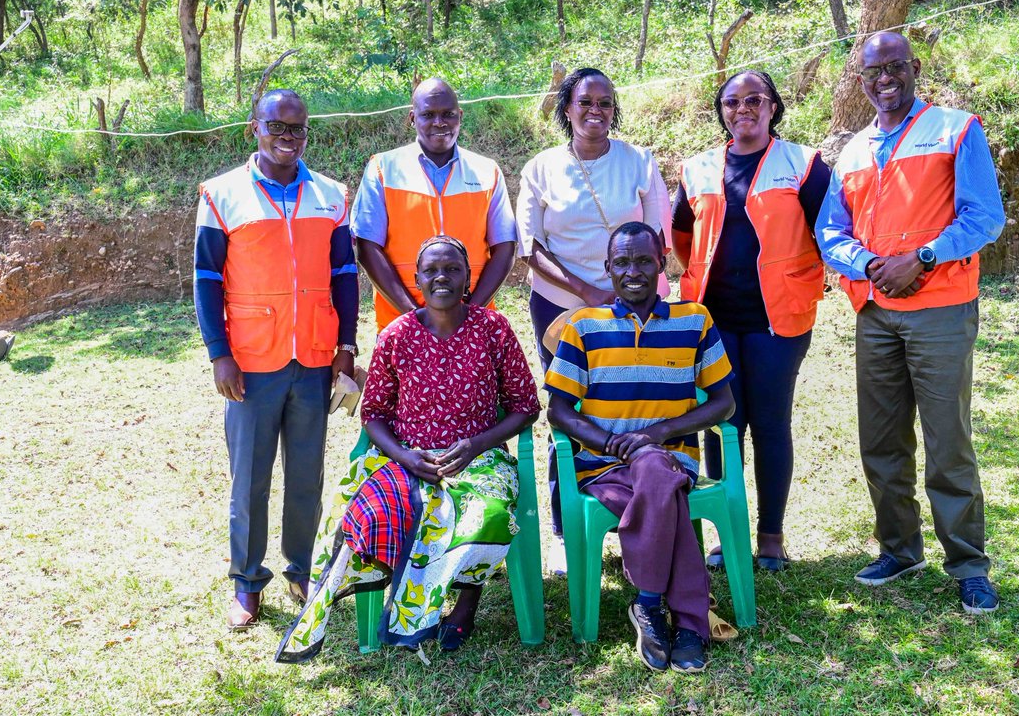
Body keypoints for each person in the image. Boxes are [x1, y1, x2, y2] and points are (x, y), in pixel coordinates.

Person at [276, 236, 540, 662]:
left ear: (468, 278)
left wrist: (474, 445)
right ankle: (399, 602)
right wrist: (407, 457)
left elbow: (526, 406)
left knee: (485, 515)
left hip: (478, 459)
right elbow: (374, 415)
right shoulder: (396, 335)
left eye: (452, 269)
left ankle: (465, 605)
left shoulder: (494, 329)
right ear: (416, 279)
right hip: (406, 460)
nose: (442, 278)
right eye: (431, 271)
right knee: (367, 516)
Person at [816, 32, 1005, 615]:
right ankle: (899, 549)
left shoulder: (955, 128)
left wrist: (920, 258)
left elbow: (985, 217)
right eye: (873, 70)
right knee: (880, 439)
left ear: (914, 68)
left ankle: (969, 565)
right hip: (875, 313)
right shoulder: (850, 151)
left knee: (948, 441)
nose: (884, 78)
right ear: (861, 79)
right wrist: (871, 265)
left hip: (941, 310)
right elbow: (830, 231)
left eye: (895, 66)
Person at [194, 88, 360, 629]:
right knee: (250, 478)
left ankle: (300, 569)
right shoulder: (222, 194)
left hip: (313, 356)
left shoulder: (331, 196)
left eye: (297, 129)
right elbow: (206, 280)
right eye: (276, 127)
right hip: (250, 361)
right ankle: (246, 581)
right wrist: (219, 353)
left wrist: (347, 347)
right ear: (254, 128)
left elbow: (344, 277)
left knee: (307, 476)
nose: (287, 138)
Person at [545, 221, 735, 673]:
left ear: (662, 264)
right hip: (602, 469)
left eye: (644, 260)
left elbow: (724, 403)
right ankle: (688, 620)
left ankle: (650, 603)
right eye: (623, 262)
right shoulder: (584, 327)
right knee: (658, 484)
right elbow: (559, 412)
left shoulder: (695, 320)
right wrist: (614, 444)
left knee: (655, 467)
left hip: (674, 460)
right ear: (608, 268)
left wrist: (656, 436)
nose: (634, 271)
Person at [671, 70, 830, 572]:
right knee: (723, 424)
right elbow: (681, 236)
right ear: (721, 110)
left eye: (755, 99)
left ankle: (771, 537)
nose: (744, 108)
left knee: (768, 421)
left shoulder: (803, 164)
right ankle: (729, 533)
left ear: (773, 107)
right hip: (712, 321)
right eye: (732, 101)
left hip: (777, 321)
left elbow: (832, 230)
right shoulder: (696, 169)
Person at [516, 67, 672, 571]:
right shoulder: (541, 168)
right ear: (566, 109)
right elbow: (529, 246)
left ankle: (648, 510)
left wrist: (623, 294)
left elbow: (657, 238)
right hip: (561, 310)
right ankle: (568, 529)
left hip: (636, 305)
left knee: (636, 401)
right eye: (585, 102)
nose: (596, 111)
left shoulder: (638, 161)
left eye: (605, 103)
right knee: (569, 408)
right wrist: (586, 292)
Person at [352, 78, 517, 333]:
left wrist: (468, 315)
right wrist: (416, 319)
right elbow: (367, 247)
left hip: (474, 327)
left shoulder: (487, 172)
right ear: (412, 118)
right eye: (428, 114)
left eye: (448, 114)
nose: (439, 123)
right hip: (402, 325)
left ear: (459, 116)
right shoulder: (384, 169)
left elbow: (505, 247)